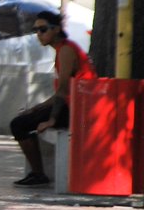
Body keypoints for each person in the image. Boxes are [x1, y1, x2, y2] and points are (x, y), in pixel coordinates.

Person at [10, 10, 97, 187]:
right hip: (72, 106)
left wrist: (52, 120)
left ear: (56, 29)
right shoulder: (60, 50)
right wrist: (36, 109)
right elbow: (61, 93)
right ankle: (37, 173)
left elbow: (63, 89)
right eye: (36, 30)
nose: (38, 34)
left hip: (80, 110)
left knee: (18, 125)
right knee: (23, 119)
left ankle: (38, 174)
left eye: (43, 29)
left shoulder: (66, 50)